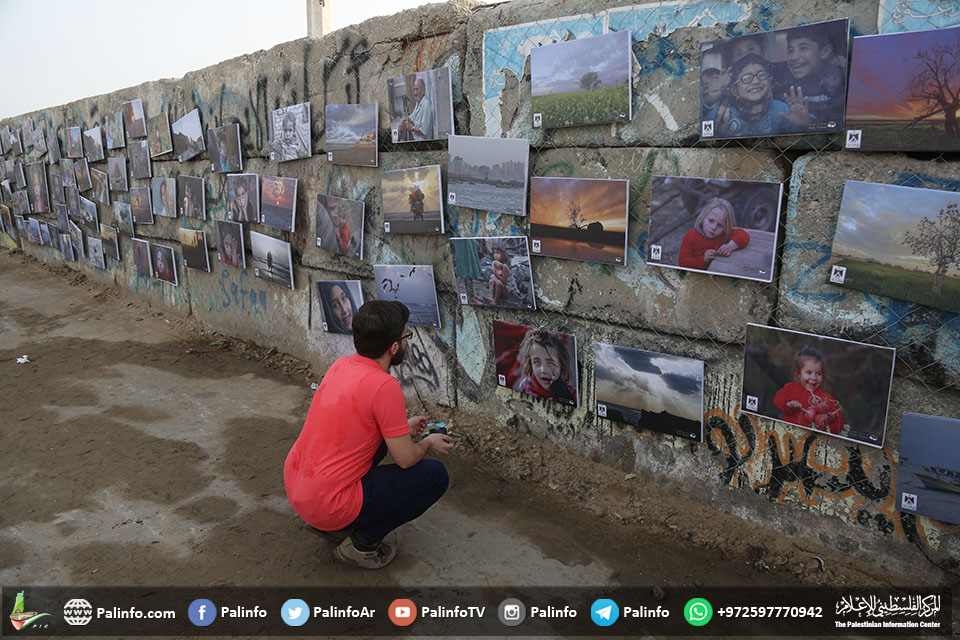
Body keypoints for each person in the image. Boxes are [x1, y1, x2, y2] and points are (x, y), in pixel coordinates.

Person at [284, 300, 452, 569]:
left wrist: (401, 428)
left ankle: (334, 527)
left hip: (299, 487)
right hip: (328, 504)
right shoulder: (385, 385)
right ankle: (363, 544)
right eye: (406, 336)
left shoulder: (341, 365)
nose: (406, 343)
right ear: (394, 347)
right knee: (434, 477)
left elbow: (352, 422)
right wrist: (426, 443)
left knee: (382, 446)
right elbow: (406, 460)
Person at [707, 53, 809, 138]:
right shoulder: (718, 113)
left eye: (762, 75)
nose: (756, 81)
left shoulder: (784, 111)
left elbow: (804, 132)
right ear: (734, 90)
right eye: (746, 78)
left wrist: (806, 125)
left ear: (771, 82)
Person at [774, 25, 845, 128]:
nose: (794, 57)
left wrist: (811, 123)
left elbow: (838, 124)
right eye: (790, 50)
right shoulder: (782, 79)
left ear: (825, 52)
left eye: (803, 48)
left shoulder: (837, 83)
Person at [773, 345, 843, 434]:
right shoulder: (791, 388)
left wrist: (826, 423)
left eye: (818, 374)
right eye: (808, 372)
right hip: (789, 436)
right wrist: (788, 403)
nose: (814, 378)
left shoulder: (826, 398)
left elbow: (839, 423)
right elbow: (777, 399)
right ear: (798, 373)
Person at [678, 197, 750, 271]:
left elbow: (744, 236)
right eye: (711, 221)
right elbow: (682, 262)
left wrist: (729, 246)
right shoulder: (691, 237)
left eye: (720, 225)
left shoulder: (723, 234)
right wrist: (703, 260)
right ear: (703, 217)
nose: (714, 227)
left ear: (726, 226)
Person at [514, 328, 577, 404]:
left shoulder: (573, 393)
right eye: (537, 362)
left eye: (551, 363)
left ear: (561, 365)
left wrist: (563, 395)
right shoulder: (526, 386)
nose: (543, 370)